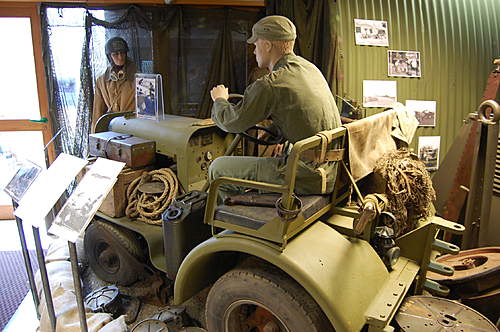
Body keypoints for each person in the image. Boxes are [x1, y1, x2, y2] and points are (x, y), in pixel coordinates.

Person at [208, 15, 342, 201]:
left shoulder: (271, 84)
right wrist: (273, 131)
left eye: (256, 44)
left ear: (268, 45)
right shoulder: (310, 69)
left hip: (308, 174)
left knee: (218, 168)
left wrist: (220, 100)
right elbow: (300, 114)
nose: (254, 51)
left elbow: (232, 122)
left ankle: (234, 221)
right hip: (330, 169)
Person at [92, 37, 137, 132]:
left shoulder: (139, 79)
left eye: (122, 53)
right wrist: (95, 137)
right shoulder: (102, 81)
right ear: (110, 56)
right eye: (115, 54)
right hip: (112, 128)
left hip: (134, 127)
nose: (120, 57)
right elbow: (97, 112)